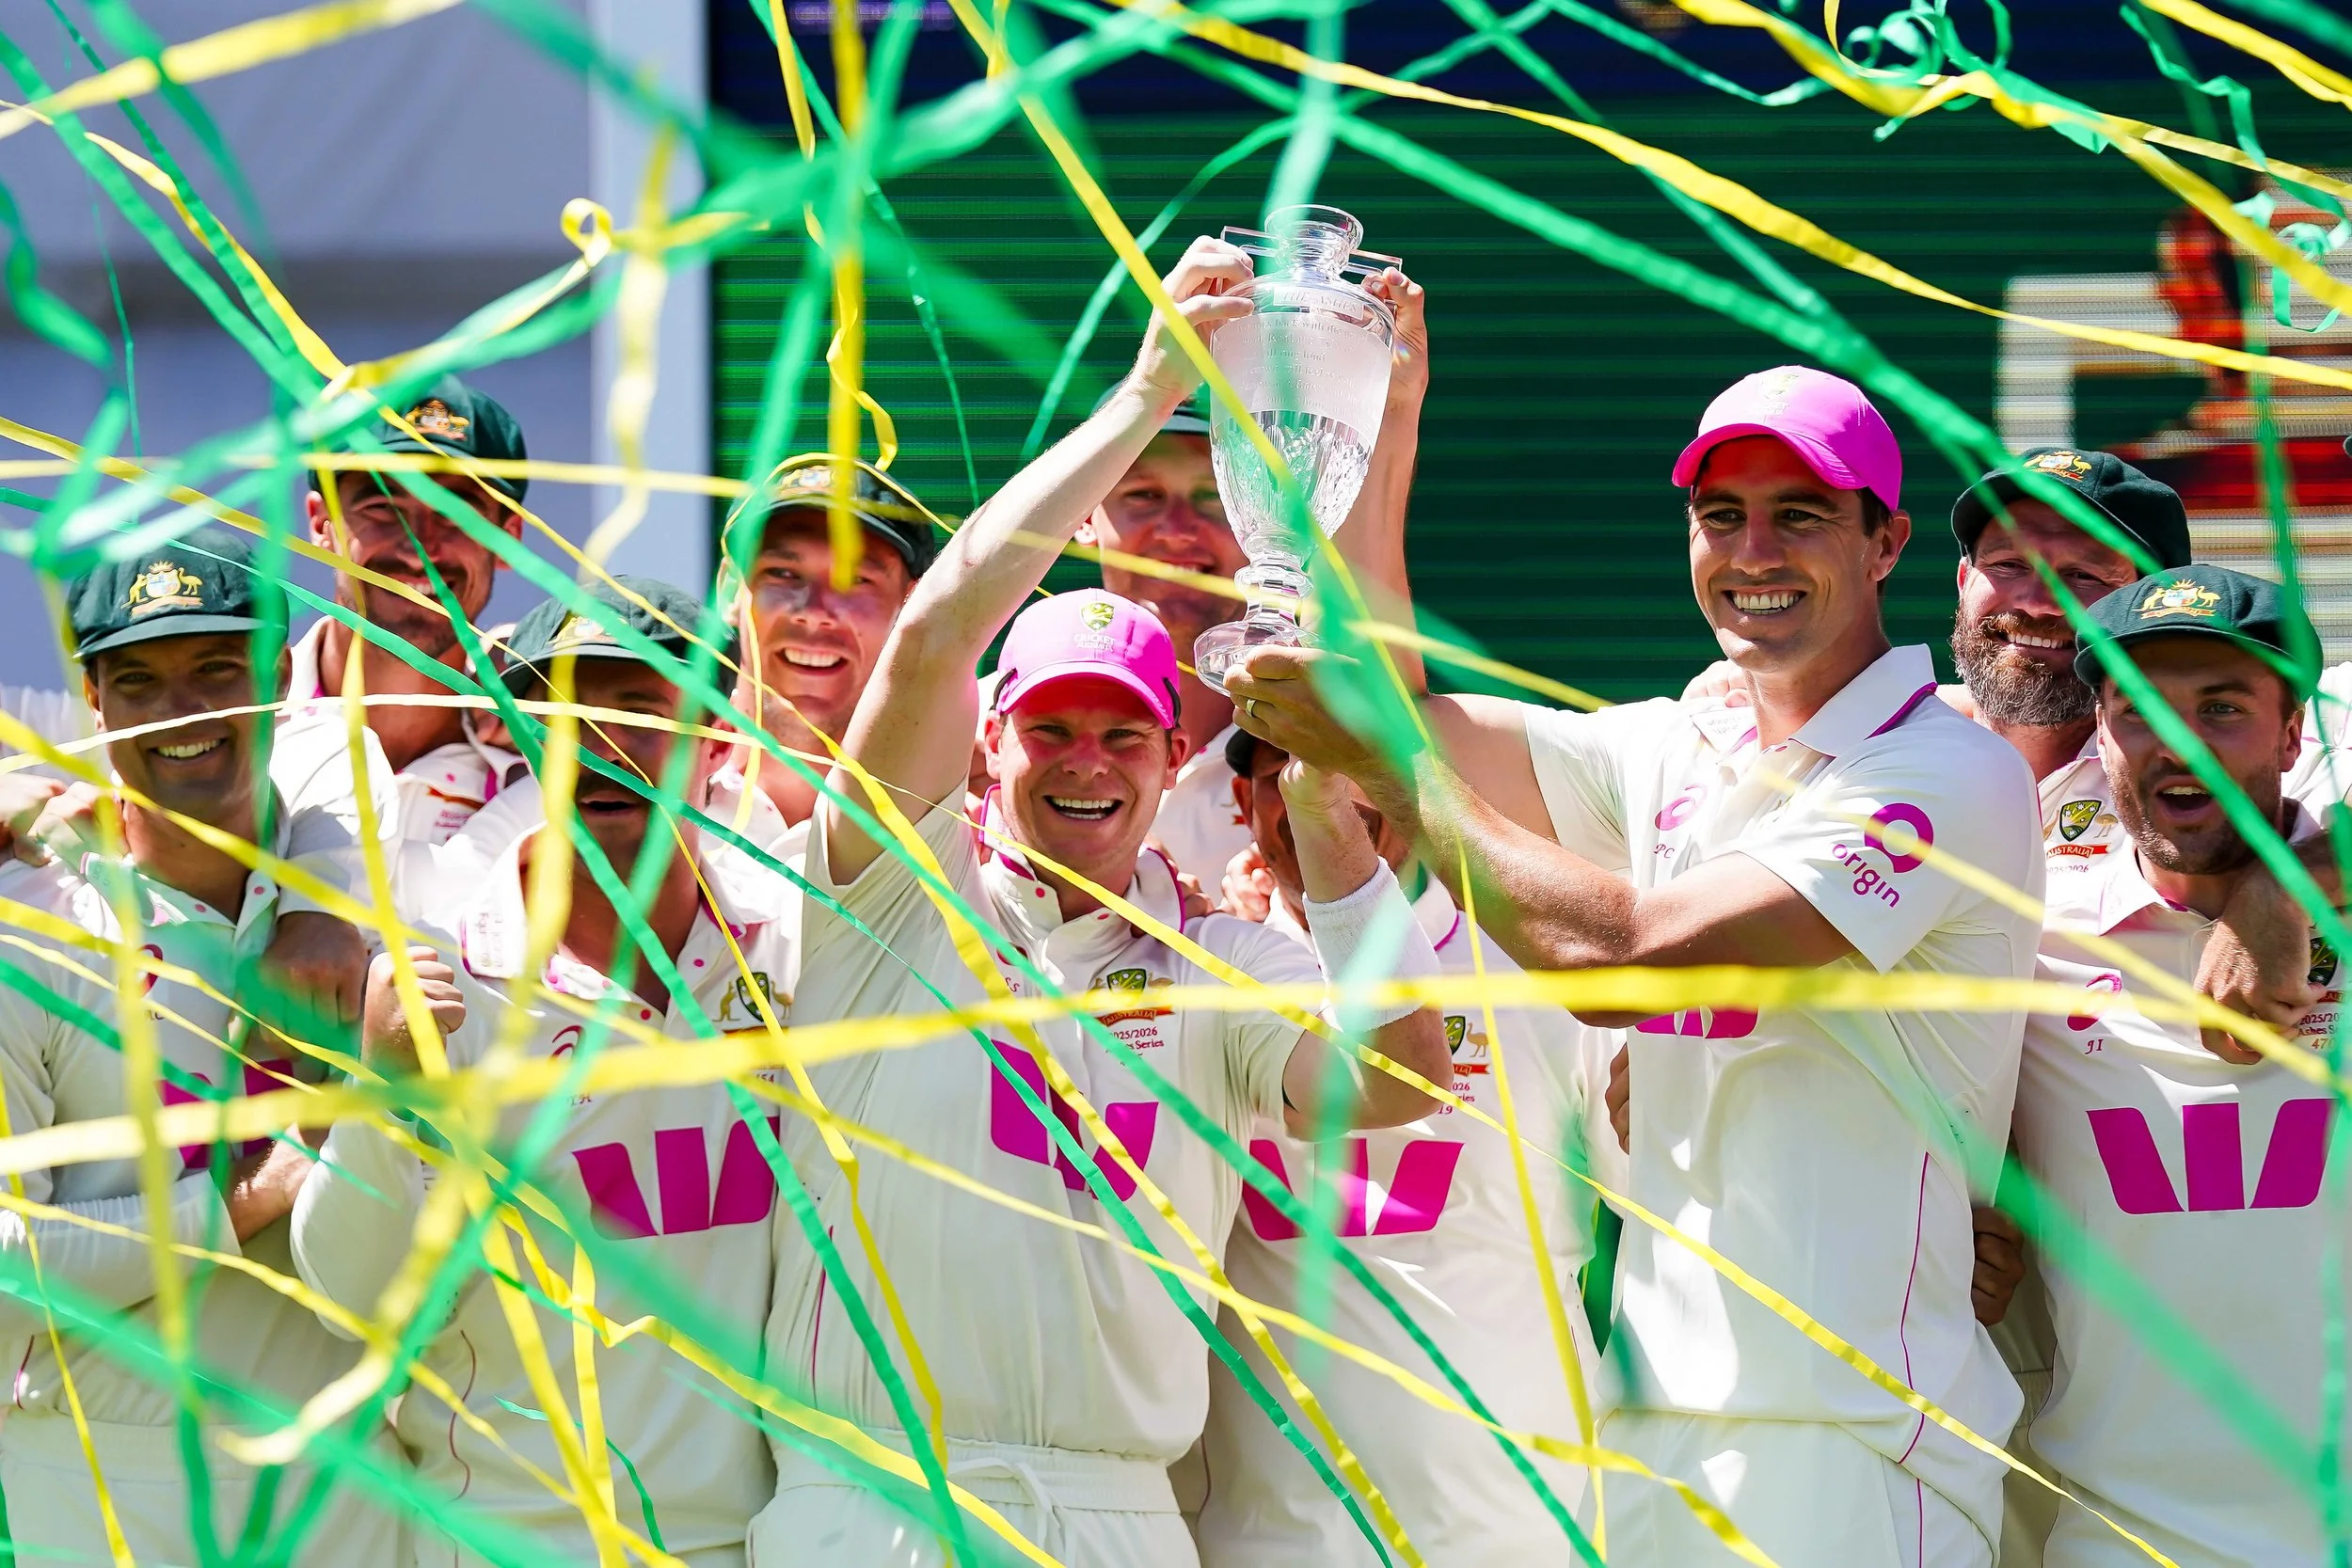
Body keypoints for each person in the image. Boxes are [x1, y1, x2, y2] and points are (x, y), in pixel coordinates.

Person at [1232, 364, 2044, 1566]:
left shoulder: (1945, 774)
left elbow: (1620, 955)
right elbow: (1390, 707)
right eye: (1721, 516)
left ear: (1886, 541)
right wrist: (1382, 418)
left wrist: (1398, 771)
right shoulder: (1670, 745)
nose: (1751, 548)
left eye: (1800, 512)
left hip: (1856, 1443)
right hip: (1653, 1433)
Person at [747, 236, 1457, 1568]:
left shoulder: (1224, 957)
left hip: (1122, 1514)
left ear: (1166, 754)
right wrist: (1140, 398)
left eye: (1124, 734)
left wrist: (1330, 824)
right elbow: (939, 629)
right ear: (984, 743)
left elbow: (1407, 1082)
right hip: (874, 1501)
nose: (1086, 760)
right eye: (1051, 728)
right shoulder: (889, 891)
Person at [291, 578, 787, 1566]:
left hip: (755, 1541)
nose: (598, 745)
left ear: (717, 735)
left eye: (639, 711)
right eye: (563, 717)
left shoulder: (794, 952)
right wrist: (387, 1095)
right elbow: (348, 1289)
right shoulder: (446, 980)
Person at [0, 526, 404, 1565]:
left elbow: (343, 755)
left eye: (217, 670)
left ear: (278, 672)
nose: (185, 715)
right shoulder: (30, 927)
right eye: (138, 682)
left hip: (349, 1477)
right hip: (106, 1479)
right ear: (92, 702)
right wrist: (235, 1198)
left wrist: (325, 895)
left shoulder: (347, 849)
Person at [1194, 727, 1625, 1564]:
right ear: (1244, 802)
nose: (1319, 790)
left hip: (1519, 1537)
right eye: (1283, 765)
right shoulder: (1197, 980)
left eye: (1342, 756)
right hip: (1266, 1544)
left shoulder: (1540, 975)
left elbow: (1677, 1207)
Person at [2012, 562, 2347, 1565]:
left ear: (2294, 734)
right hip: (2121, 1540)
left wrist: (2296, 885)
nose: (2178, 741)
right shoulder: (2023, 945)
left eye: (2223, 706)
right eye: (2139, 710)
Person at [1071, 271, 1429, 882]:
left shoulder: (1323, 714)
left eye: (1213, 495)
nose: (1177, 528)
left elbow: (1416, 759)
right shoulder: (1008, 723)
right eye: (1143, 494)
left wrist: (1392, 412)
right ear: (1082, 516)